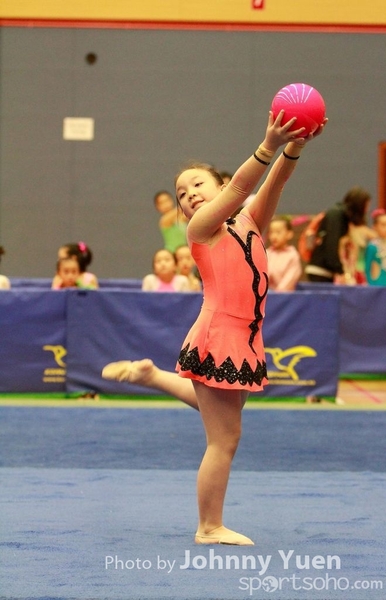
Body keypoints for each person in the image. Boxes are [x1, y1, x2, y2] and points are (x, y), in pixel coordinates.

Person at [103, 107, 327, 546]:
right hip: (220, 334)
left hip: (244, 336)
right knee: (224, 438)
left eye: (197, 185)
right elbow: (243, 185)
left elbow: (272, 183)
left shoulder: (248, 222)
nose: (189, 195)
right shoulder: (201, 229)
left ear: (219, 185)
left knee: (223, 412)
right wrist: (269, 143)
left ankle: (151, 376)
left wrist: (295, 146)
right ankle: (208, 526)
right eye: (182, 193)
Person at [305, 187, 371, 283]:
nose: (367, 210)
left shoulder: (342, 216)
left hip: (326, 272)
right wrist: (341, 271)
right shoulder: (336, 215)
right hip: (320, 271)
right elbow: (331, 245)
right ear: (359, 204)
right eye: (366, 205)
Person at [266, 216, 302, 291]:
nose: (274, 236)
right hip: (265, 295)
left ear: (289, 234)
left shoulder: (292, 255)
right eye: (271, 232)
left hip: (284, 296)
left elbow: (288, 282)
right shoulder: (266, 253)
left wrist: (276, 295)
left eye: (278, 232)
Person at [365, 209, 386, 286]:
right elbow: (367, 269)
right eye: (383, 225)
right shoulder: (372, 246)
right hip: (376, 285)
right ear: (375, 227)